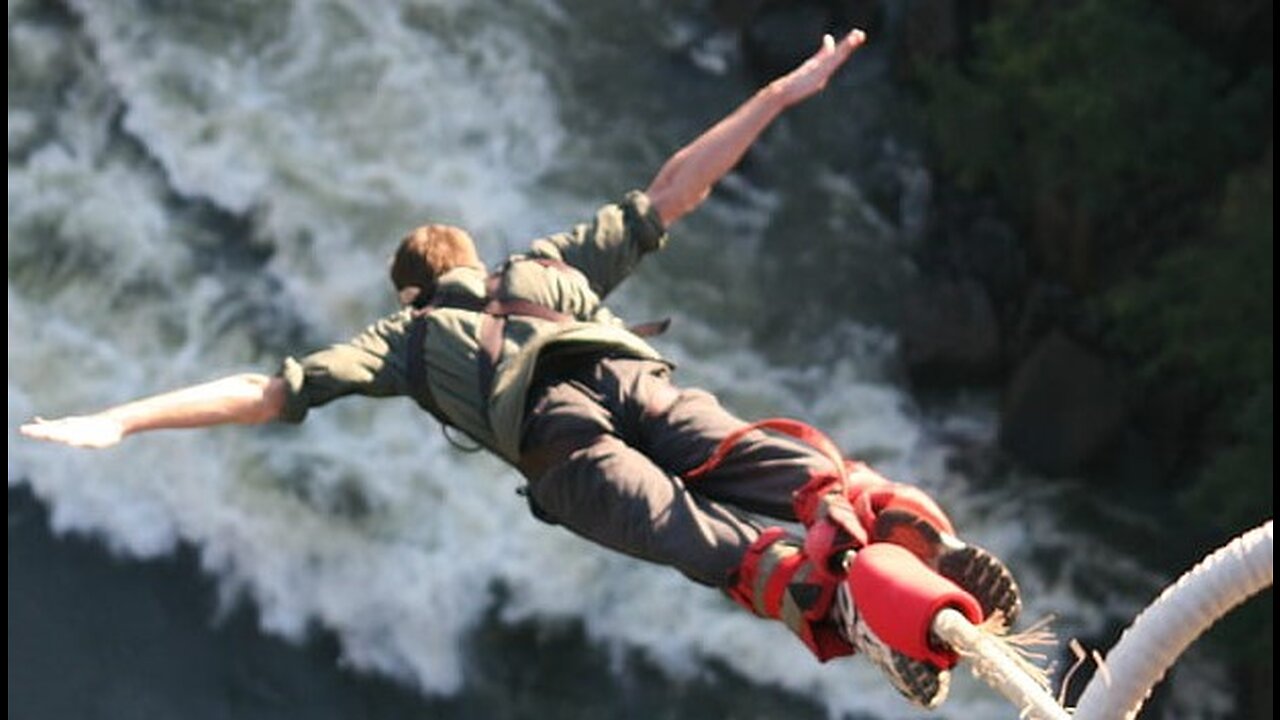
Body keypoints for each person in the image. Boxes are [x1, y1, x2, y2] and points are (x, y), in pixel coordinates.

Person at [20, 30, 1019, 709]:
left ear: (414, 292)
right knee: (797, 473)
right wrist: (778, 93)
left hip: (567, 452)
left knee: (728, 554)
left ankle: (851, 609)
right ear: (470, 255)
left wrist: (125, 419)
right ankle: (895, 528)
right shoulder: (542, 266)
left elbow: (272, 391)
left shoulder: (406, 343)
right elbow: (680, 186)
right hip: (638, 386)